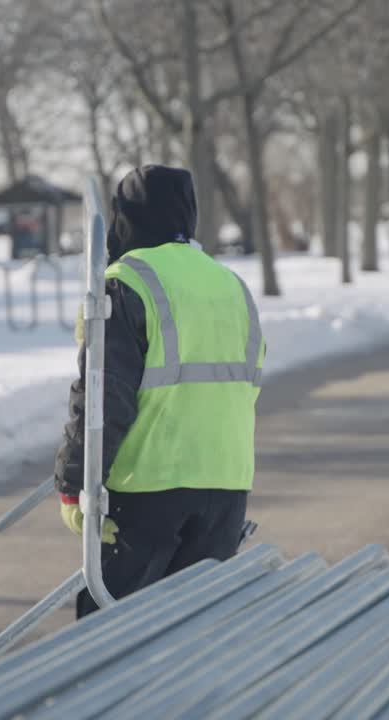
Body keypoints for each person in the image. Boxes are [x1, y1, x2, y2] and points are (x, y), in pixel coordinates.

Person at [53, 165, 265, 619]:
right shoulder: (232, 285)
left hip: (147, 488)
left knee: (109, 628)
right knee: (193, 626)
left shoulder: (124, 282)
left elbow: (103, 398)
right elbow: (247, 384)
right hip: (227, 486)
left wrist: (74, 486)